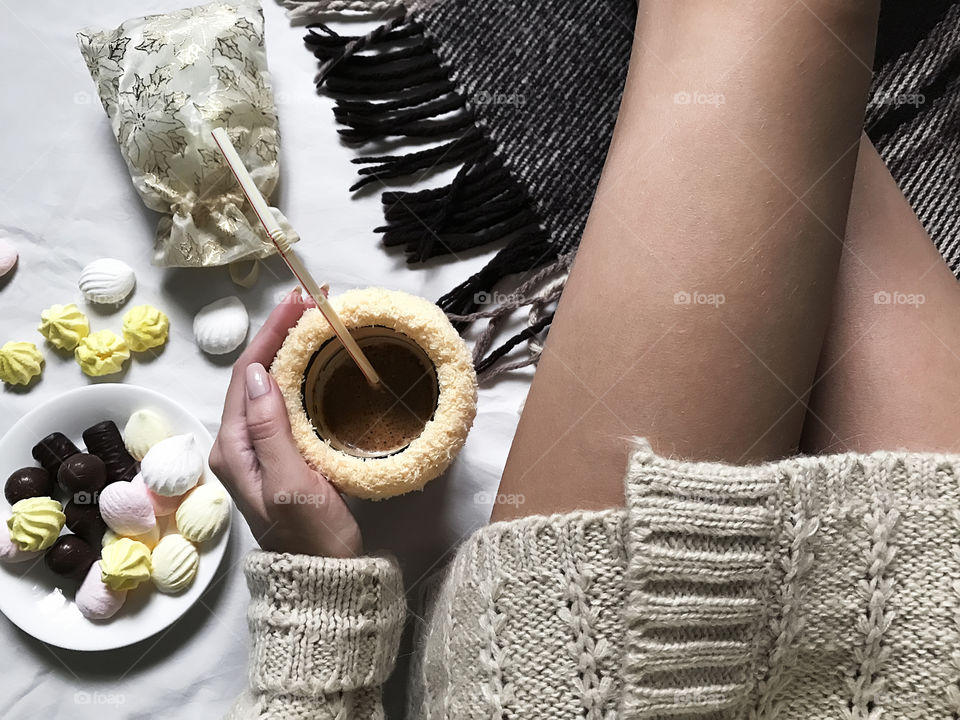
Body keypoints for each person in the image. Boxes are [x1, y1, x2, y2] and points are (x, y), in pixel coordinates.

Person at [217, 1, 960, 717]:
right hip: (913, 663)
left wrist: (315, 591)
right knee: (782, 48)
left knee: (784, 64)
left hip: (590, 659)